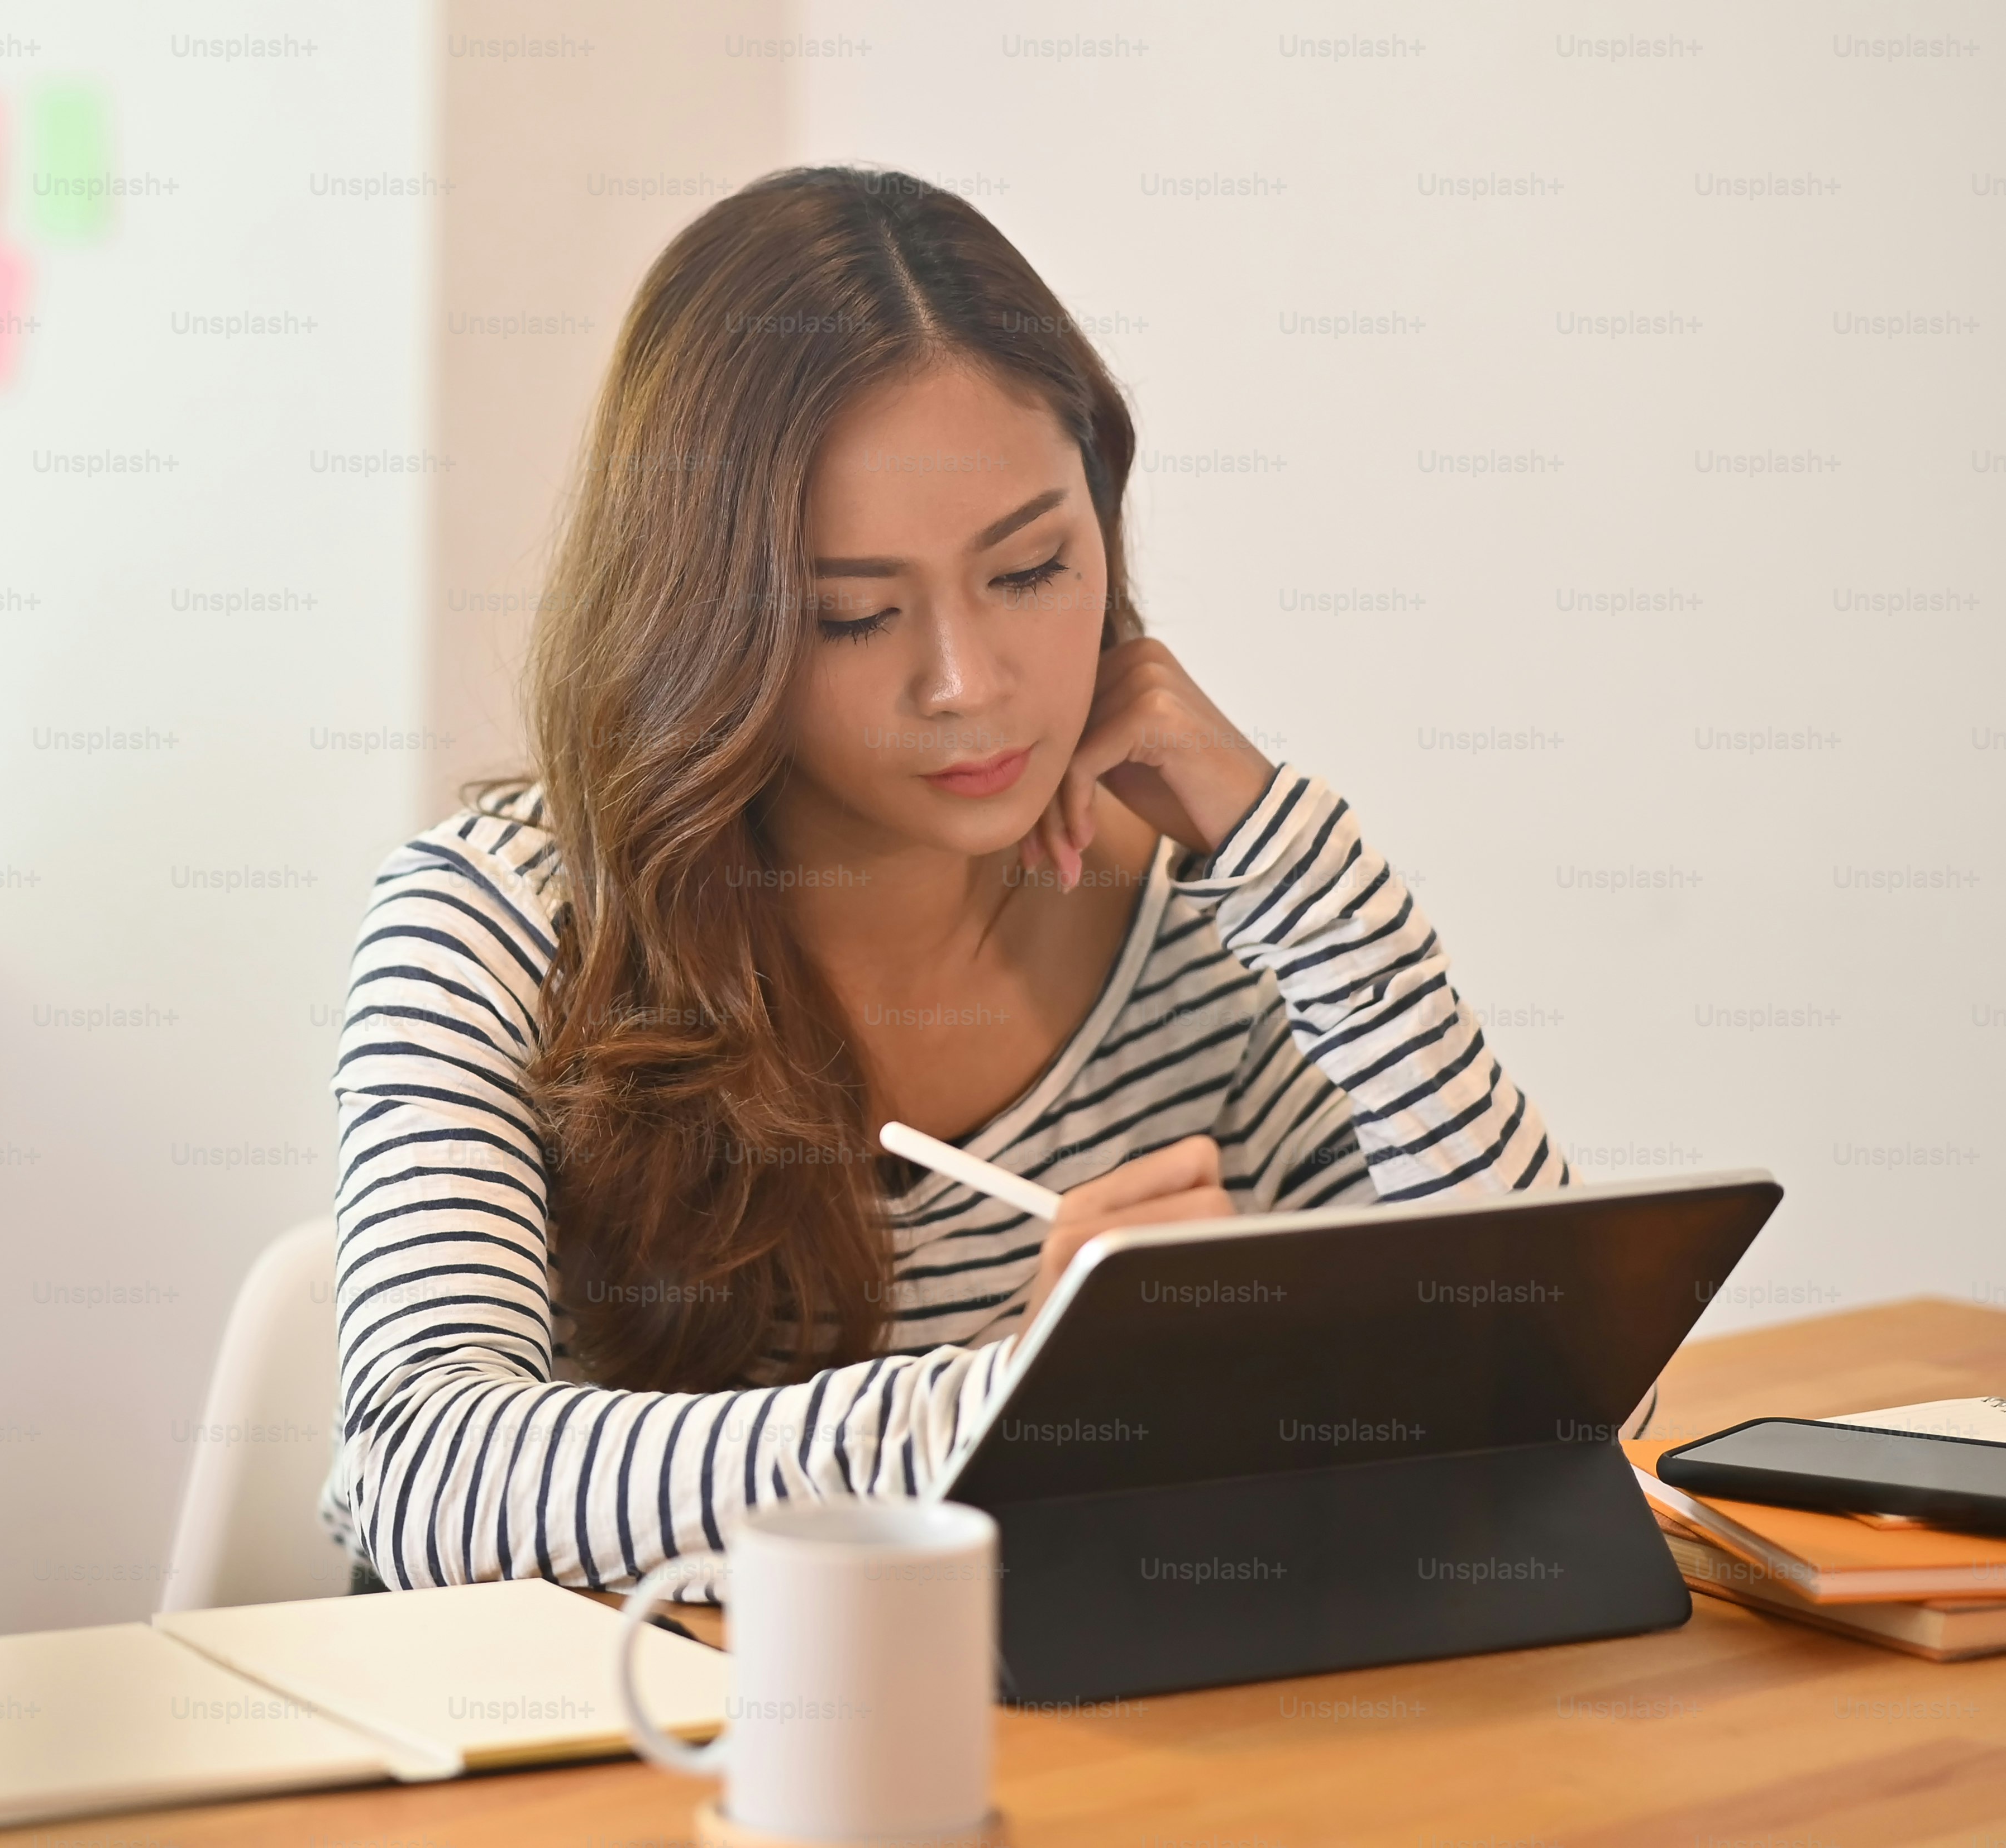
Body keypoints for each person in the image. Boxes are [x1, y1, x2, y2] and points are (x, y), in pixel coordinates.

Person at [327, 168, 1569, 1596]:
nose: (968, 686)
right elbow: (425, 1480)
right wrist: (1019, 1409)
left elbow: (1545, 1387)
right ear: (708, 623)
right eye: (855, 613)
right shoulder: (492, 929)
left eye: (1032, 569)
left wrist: (1295, 856)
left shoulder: (1199, 937)